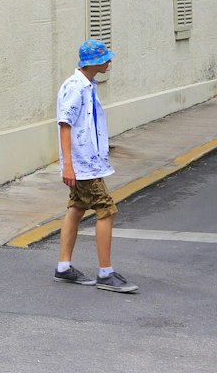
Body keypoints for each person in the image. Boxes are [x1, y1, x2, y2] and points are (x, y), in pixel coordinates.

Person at [53, 39, 138, 292]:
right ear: (93, 62)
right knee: (107, 210)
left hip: (88, 162)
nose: (109, 61)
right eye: (105, 58)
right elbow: (64, 125)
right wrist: (68, 165)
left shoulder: (88, 85)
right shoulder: (75, 88)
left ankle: (63, 267)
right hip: (82, 164)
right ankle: (105, 273)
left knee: (77, 207)